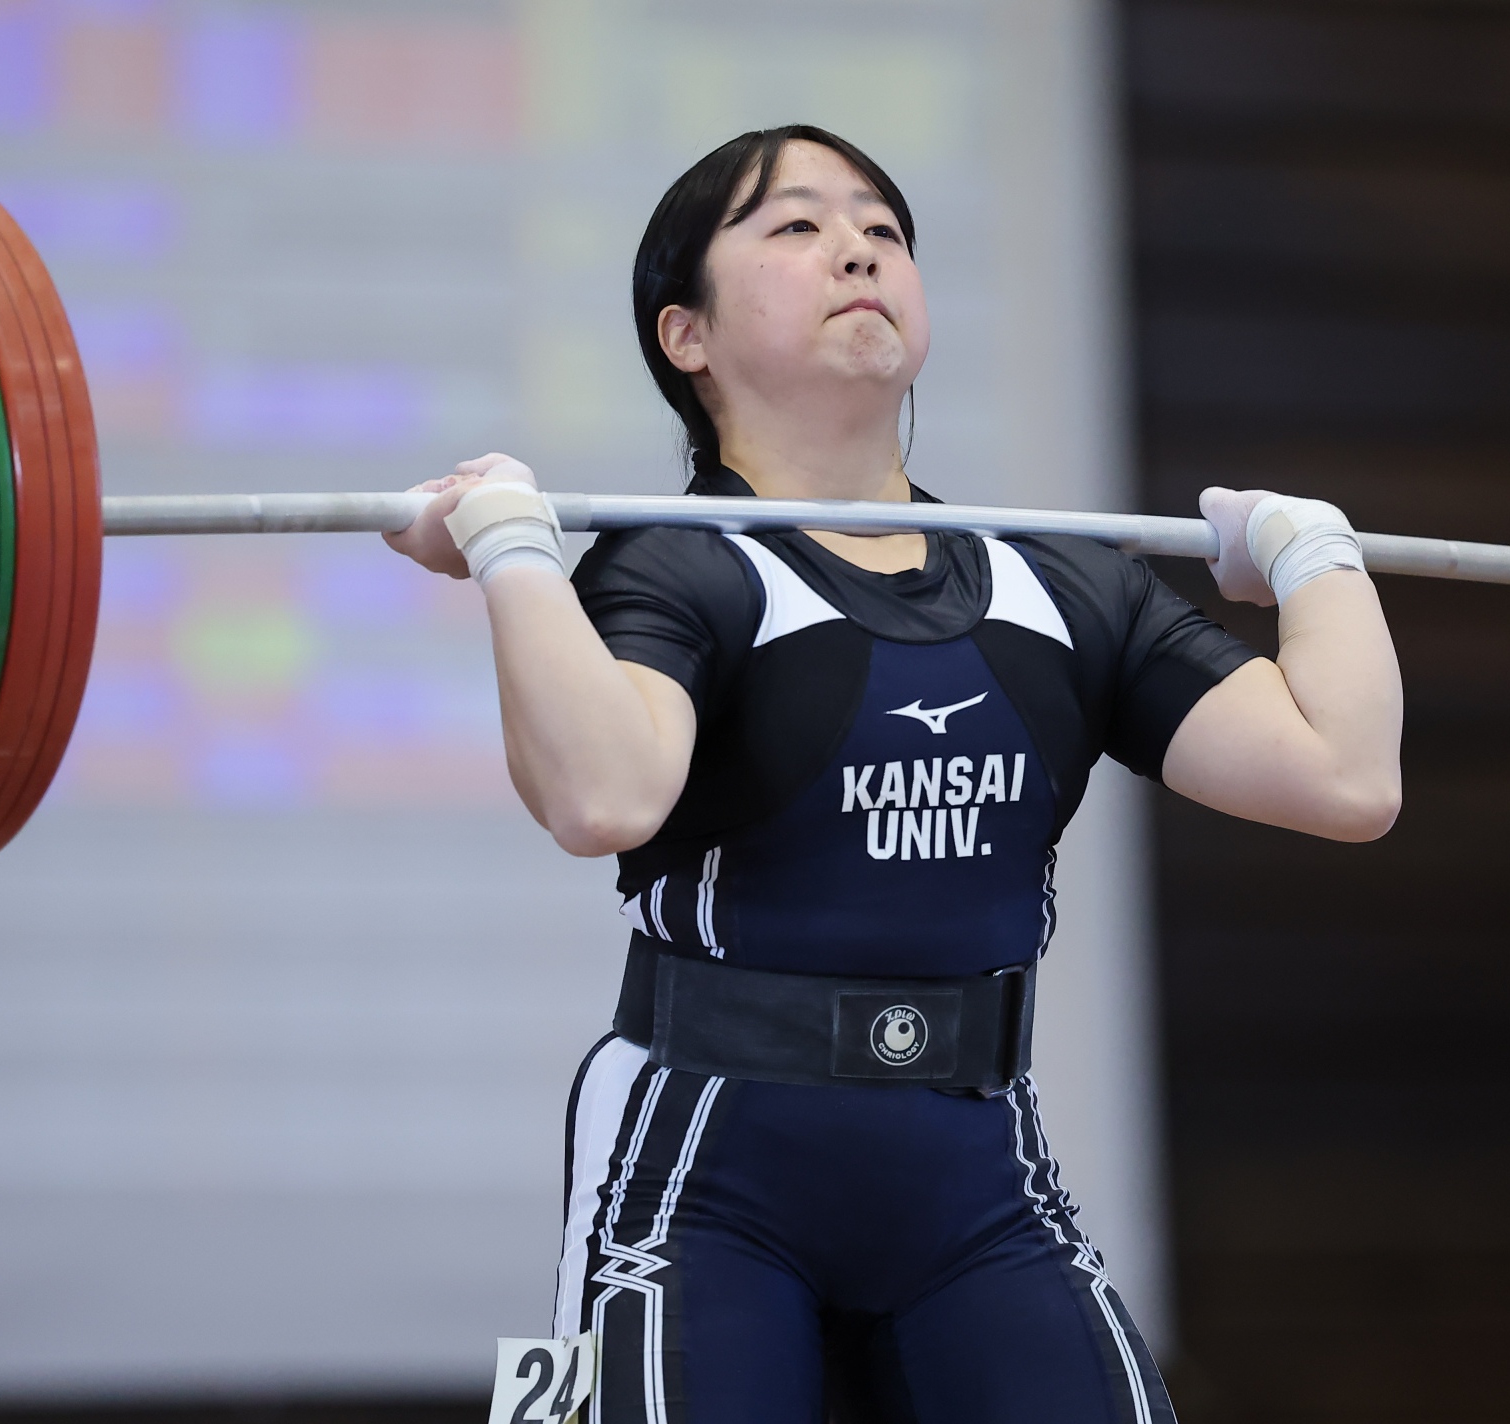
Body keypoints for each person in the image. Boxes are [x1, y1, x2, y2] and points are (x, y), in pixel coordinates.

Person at [387, 126, 1402, 1423]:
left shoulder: (1064, 585)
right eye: (795, 226)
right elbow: (600, 799)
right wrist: (513, 551)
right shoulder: (675, 565)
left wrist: (1316, 558)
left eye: (882, 229)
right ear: (686, 334)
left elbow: (1346, 778)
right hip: (700, 1180)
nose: (858, 249)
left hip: (975, 1176)